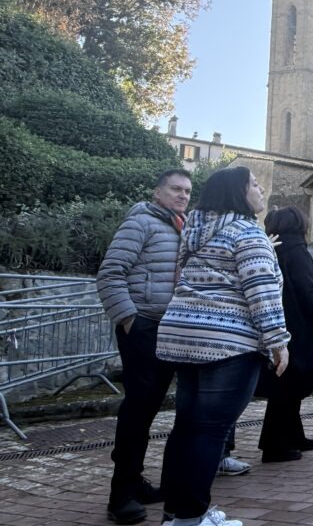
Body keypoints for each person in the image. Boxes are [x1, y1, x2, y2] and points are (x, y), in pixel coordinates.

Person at [156, 167, 290, 526]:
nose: (261, 190)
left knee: (187, 426)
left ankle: (176, 513)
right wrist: (278, 341)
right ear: (237, 193)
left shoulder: (193, 231)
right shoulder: (247, 232)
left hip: (184, 337)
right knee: (211, 430)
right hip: (228, 342)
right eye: (254, 184)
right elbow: (261, 290)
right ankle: (191, 518)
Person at [98, 169, 192, 525]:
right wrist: (129, 320)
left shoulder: (180, 227)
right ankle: (120, 494)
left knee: (148, 408)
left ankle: (134, 481)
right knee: (138, 409)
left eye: (187, 191)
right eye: (175, 189)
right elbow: (110, 273)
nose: (182, 195)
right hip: (144, 326)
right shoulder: (140, 222)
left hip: (168, 327)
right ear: (157, 192)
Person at [257, 206, 313, 463]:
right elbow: (307, 288)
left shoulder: (275, 248)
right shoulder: (297, 251)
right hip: (299, 326)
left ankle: (294, 434)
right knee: (288, 386)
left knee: (287, 384)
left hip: (282, 322)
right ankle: (275, 444)